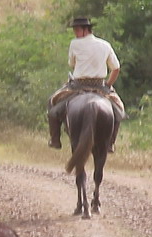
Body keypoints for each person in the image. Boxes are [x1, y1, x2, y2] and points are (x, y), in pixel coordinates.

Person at [47, 15, 125, 149]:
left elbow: (71, 64)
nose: (75, 33)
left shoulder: (74, 44)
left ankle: (55, 139)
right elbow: (116, 68)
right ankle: (111, 142)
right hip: (101, 86)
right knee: (119, 110)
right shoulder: (105, 45)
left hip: (77, 85)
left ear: (85, 30)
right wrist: (108, 84)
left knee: (52, 104)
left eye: (77, 30)